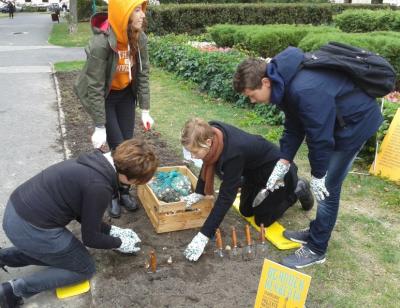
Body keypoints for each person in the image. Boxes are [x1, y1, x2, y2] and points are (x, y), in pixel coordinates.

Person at [233, 48, 383, 269]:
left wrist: (319, 175)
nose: (253, 101)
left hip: (355, 125)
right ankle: (315, 231)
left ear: (265, 82)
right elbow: (294, 126)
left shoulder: (305, 89)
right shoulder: (284, 83)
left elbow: (319, 137)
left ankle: (317, 249)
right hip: (338, 122)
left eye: (252, 96)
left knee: (328, 189)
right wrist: (283, 162)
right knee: (326, 182)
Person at [0, 139, 158, 308]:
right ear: (127, 177)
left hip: (16, 212)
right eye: (135, 183)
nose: (133, 186)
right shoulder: (99, 187)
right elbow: (90, 238)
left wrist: (111, 230)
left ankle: (4, 257)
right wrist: (120, 243)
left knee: (62, 255)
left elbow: (82, 212)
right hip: (31, 228)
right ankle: (12, 291)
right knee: (84, 268)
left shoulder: (94, 163)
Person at [180, 118, 314, 262]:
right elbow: (208, 163)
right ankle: (264, 192)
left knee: (262, 220)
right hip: (253, 172)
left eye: (195, 152)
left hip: (278, 175)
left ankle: (298, 189)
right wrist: (199, 192)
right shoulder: (211, 133)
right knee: (246, 210)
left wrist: (204, 235)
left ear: (208, 142)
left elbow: (226, 197)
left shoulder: (232, 154)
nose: (193, 156)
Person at [74, 0, 154, 218]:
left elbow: (143, 75)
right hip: (105, 96)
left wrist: (145, 109)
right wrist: (99, 125)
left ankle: (124, 190)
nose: (142, 15)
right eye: (136, 10)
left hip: (126, 95)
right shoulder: (102, 44)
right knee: (114, 146)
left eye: (142, 9)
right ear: (123, 14)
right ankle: (110, 193)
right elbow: (94, 87)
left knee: (126, 144)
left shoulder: (140, 39)